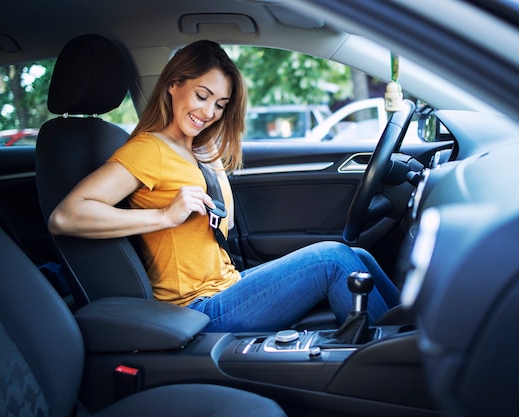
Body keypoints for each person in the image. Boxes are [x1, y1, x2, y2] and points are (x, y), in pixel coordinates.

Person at [48, 40, 400, 332]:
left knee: (358, 257)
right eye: (202, 95)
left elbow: (221, 223)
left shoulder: (194, 149)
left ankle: (405, 333)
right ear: (174, 84)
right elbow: (65, 217)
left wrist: (209, 160)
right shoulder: (148, 149)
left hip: (227, 285)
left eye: (220, 104)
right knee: (333, 259)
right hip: (198, 308)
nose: (210, 112)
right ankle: (387, 365)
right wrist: (164, 215)